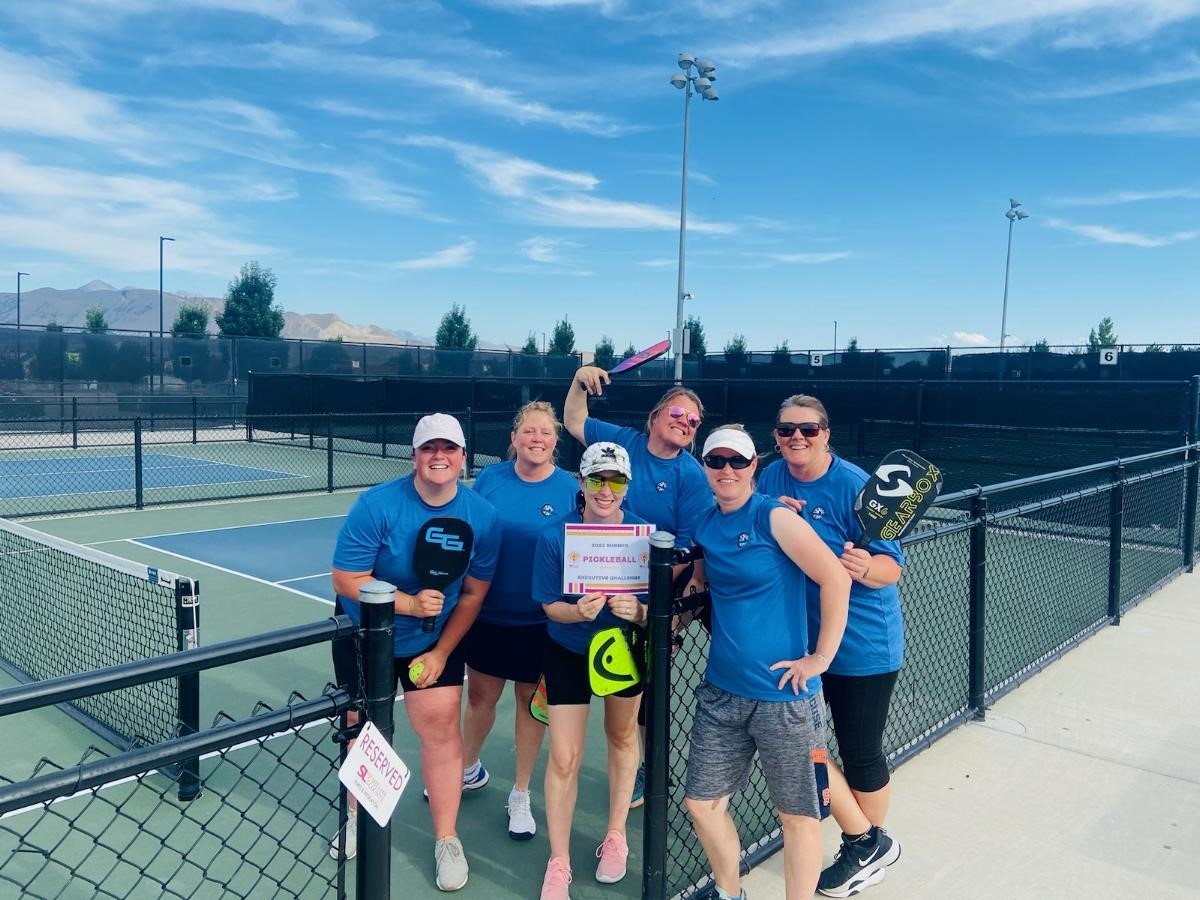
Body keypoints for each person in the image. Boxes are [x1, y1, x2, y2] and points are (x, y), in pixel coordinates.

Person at [329, 413, 500, 893]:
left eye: (448, 448)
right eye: (429, 448)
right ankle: (355, 817)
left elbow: (471, 595)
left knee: (441, 729)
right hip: (364, 633)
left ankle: (447, 839)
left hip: (433, 639)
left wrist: (443, 652)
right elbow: (345, 579)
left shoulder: (481, 518)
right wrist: (404, 604)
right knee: (359, 729)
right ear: (415, 456)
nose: (438, 457)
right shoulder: (377, 505)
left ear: (464, 456)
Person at [685, 426, 851, 900]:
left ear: (753, 466)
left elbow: (835, 578)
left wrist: (820, 658)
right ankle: (729, 891)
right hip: (722, 692)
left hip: (786, 699)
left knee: (799, 815)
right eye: (716, 461)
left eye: (737, 461)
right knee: (702, 804)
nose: (726, 470)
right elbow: (701, 588)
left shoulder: (773, 517)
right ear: (705, 468)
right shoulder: (705, 524)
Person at [756, 395, 906, 898]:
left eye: (808, 429)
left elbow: (892, 569)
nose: (796, 438)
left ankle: (867, 848)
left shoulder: (854, 485)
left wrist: (866, 567)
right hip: (803, 643)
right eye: (786, 429)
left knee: (860, 752)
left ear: (826, 433)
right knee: (810, 745)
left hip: (862, 646)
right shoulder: (772, 477)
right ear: (775, 435)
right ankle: (867, 841)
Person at [565, 365, 713, 806]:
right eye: (678, 413)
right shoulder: (624, 442)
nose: (684, 422)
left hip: (650, 599)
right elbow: (574, 420)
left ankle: (651, 769)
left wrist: (660, 612)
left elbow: (685, 554)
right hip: (595, 589)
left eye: (693, 421)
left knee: (643, 691)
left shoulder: (690, 476)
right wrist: (578, 381)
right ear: (655, 416)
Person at [532, 442, 649, 900]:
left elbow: (654, 609)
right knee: (564, 757)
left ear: (626, 486)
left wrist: (637, 613)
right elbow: (548, 606)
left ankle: (615, 835)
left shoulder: (644, 537)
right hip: (568, 651)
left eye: (615, 480)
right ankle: (558, 861)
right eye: (596, 479)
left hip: (622, 650)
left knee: (622, 738)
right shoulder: (553, 537)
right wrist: (576, 613)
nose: (606, 489)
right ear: (580, 483)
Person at [462, 401, 578, 840]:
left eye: (546, 433)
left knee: (532, 704)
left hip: (540, 622)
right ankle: (467, 769)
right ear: (513, 438)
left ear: (554, 442)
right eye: (528, 431)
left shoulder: (569, 489)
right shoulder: (489, 479)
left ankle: (521, 793)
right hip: (488, 615)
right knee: (480, 699)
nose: (537, 439)